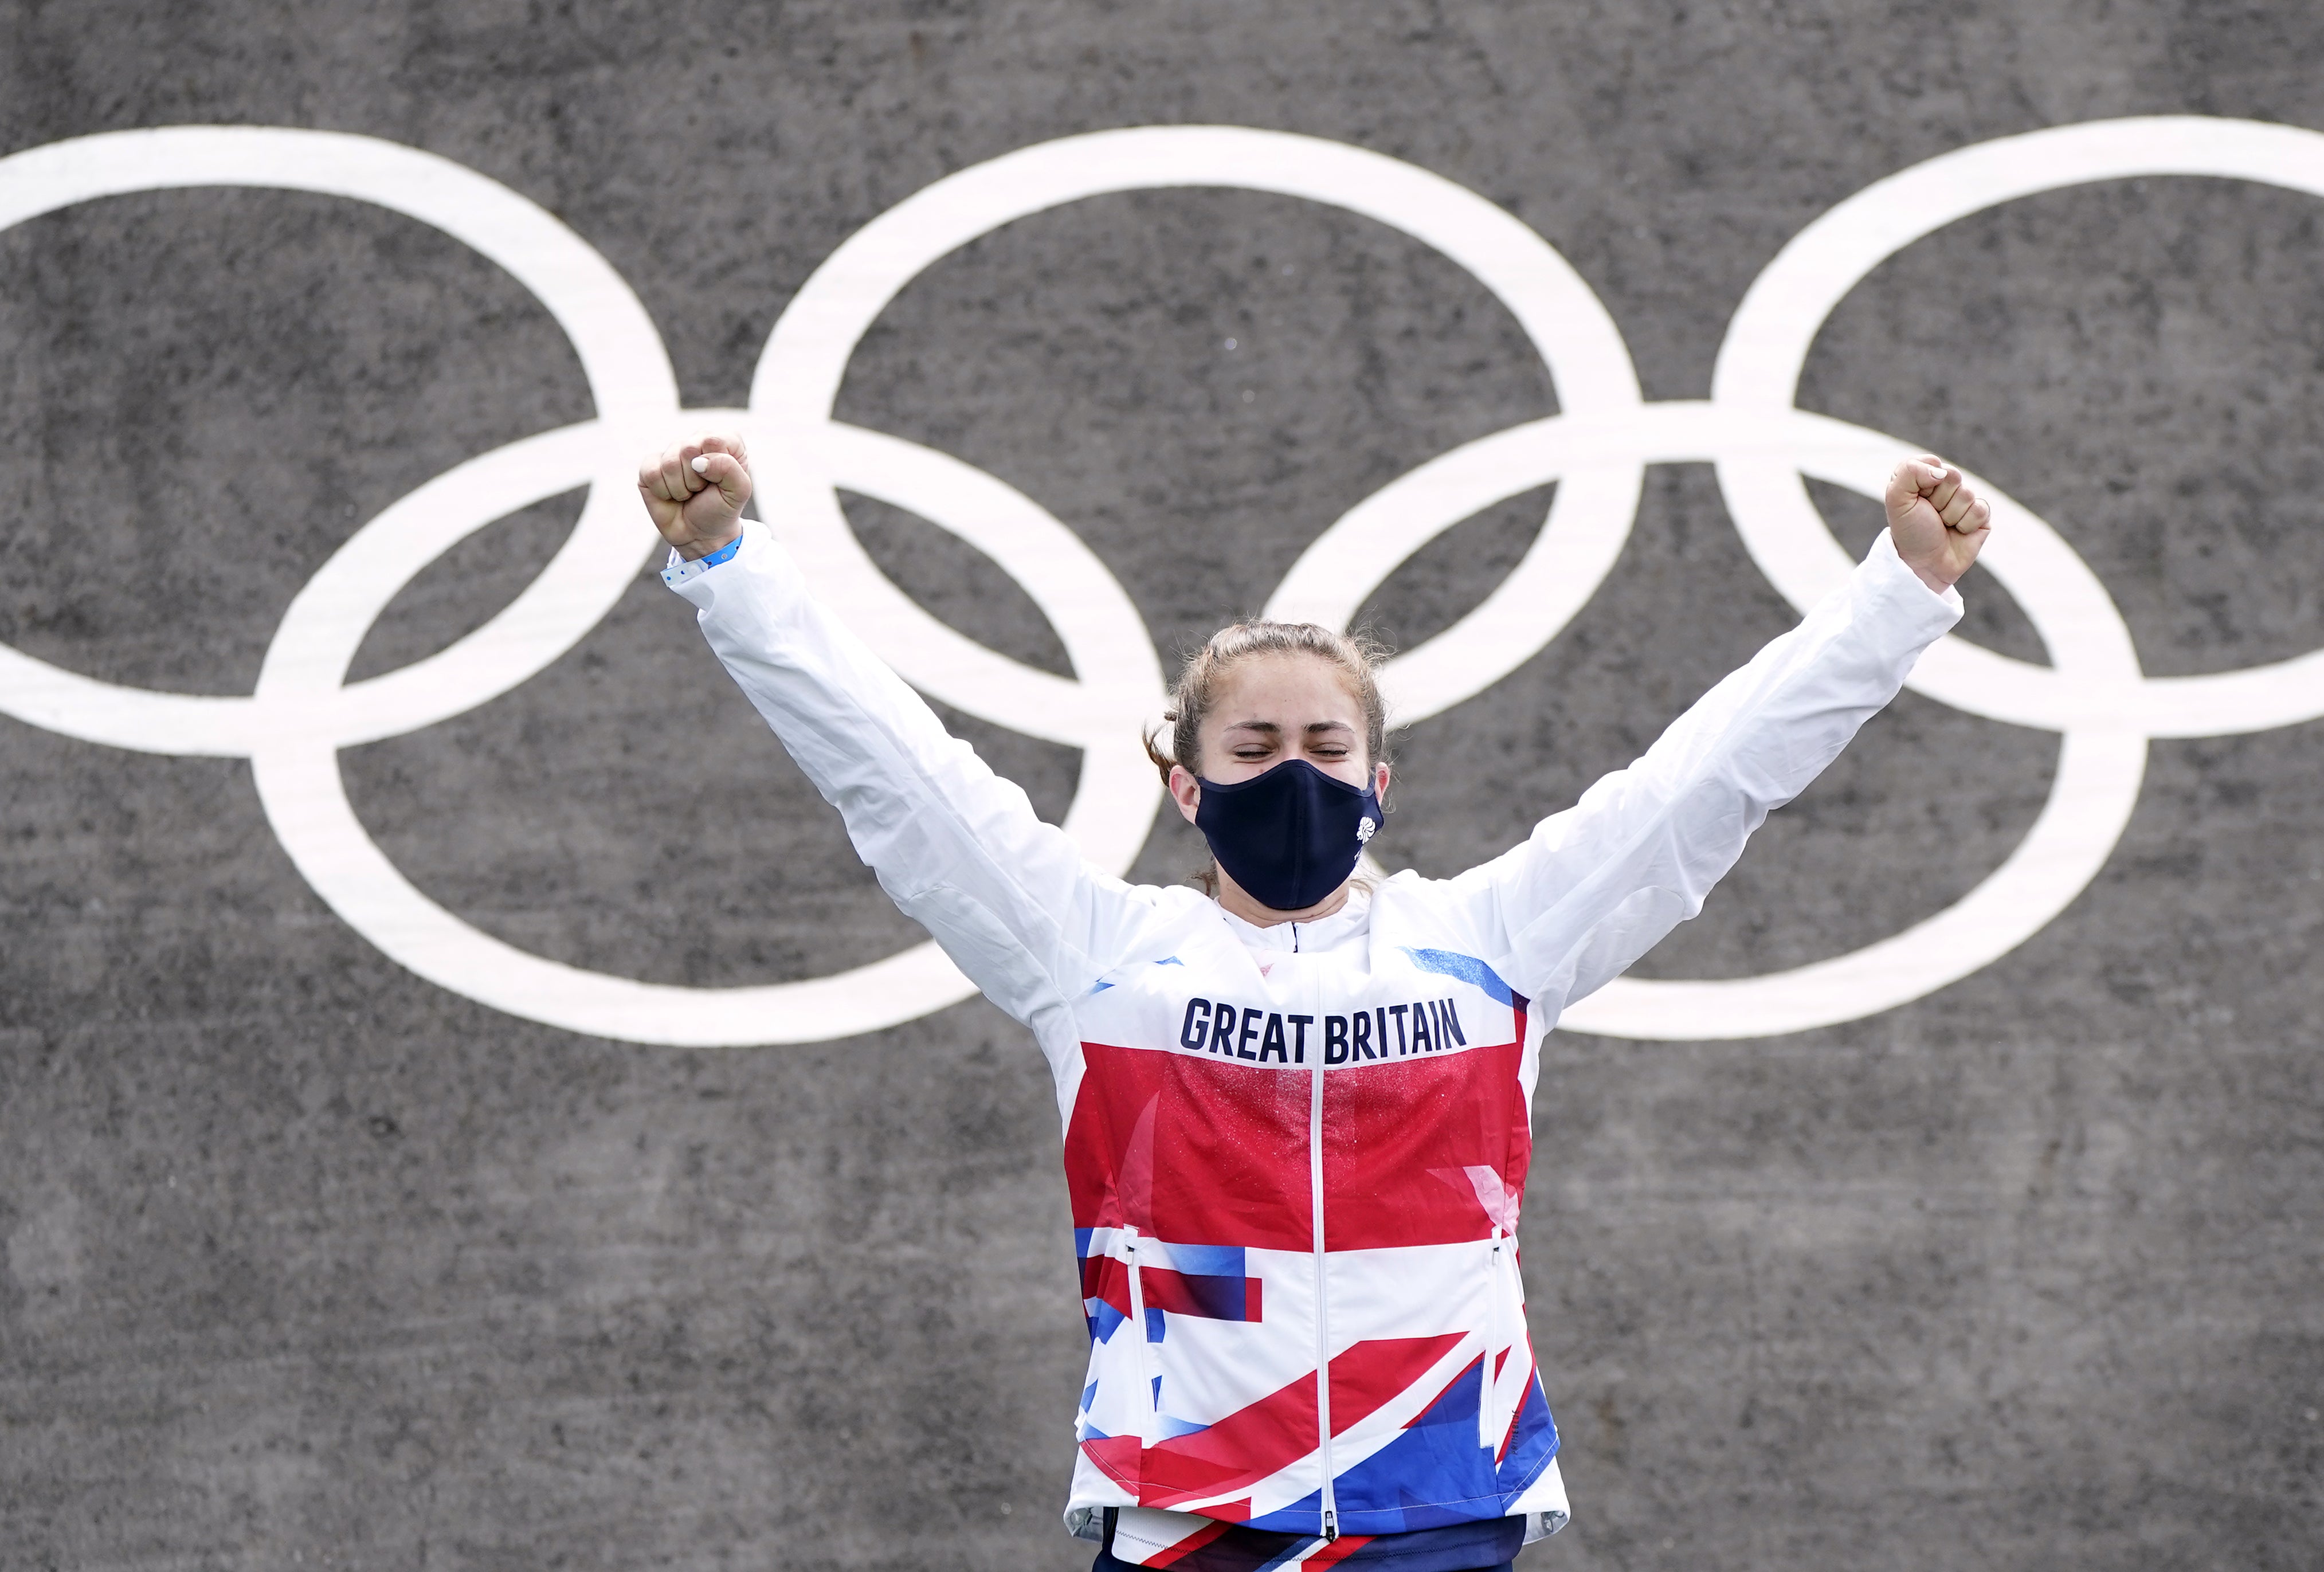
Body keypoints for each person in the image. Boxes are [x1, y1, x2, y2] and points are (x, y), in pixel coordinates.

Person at [639, 434, 1990, 1571]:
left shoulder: (1493, 945)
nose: (1294, 771)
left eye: (1325, 747)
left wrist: (1899, 592)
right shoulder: (1094, 958)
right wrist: (730, 570)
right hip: (1186, 1516)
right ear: (1186, 785)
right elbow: (897, 776)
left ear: (1378, 783)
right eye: (1253, 746)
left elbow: (1708, 778)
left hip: (1441, 1506)